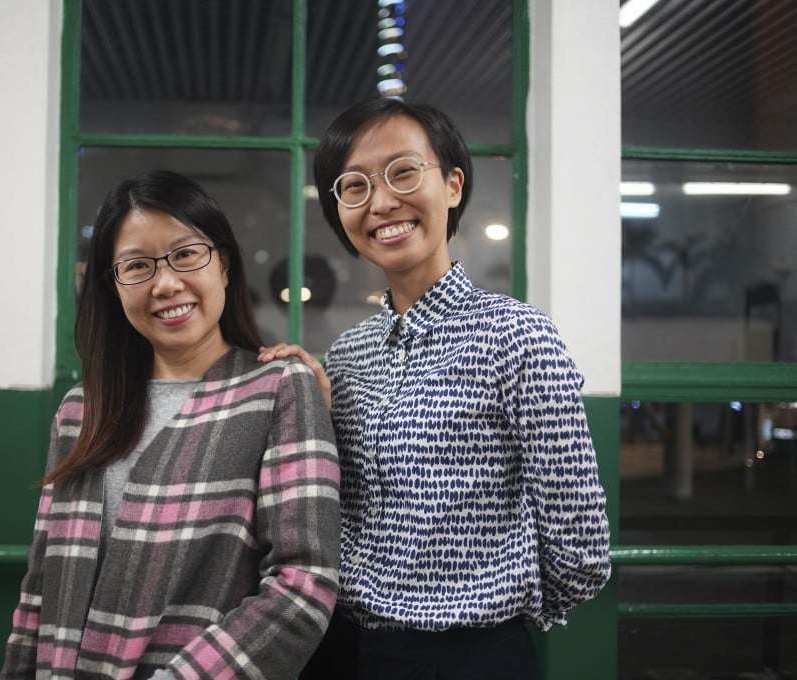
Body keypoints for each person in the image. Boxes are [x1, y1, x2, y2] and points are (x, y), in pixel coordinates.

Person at [259, 98, 611, 679]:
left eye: (402, 171)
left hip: (467, 655)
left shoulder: (517, 335)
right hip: (337, 646)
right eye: (353, 186)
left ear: (452, 185)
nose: (381, 202)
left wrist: (488, 617)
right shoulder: (349, 352)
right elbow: (348, 511)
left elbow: (581, 551)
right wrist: (316, 413)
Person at [1, 170, 341, 680]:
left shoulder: (277, 390)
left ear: (223, 264)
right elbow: (41, 584)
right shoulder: (81, 410)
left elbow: (303, 582)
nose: (165, 283)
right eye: (137, 266)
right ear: (113, 287)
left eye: (186, 254)